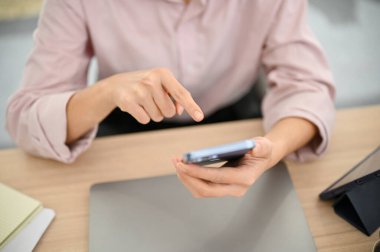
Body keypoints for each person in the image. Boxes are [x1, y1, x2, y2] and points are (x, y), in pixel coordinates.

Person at [6, 0, 335, 198]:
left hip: (234, 113)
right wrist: (105, 91)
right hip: (121, 120)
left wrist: (273, 148)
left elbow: (306, 85)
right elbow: (25, 118)